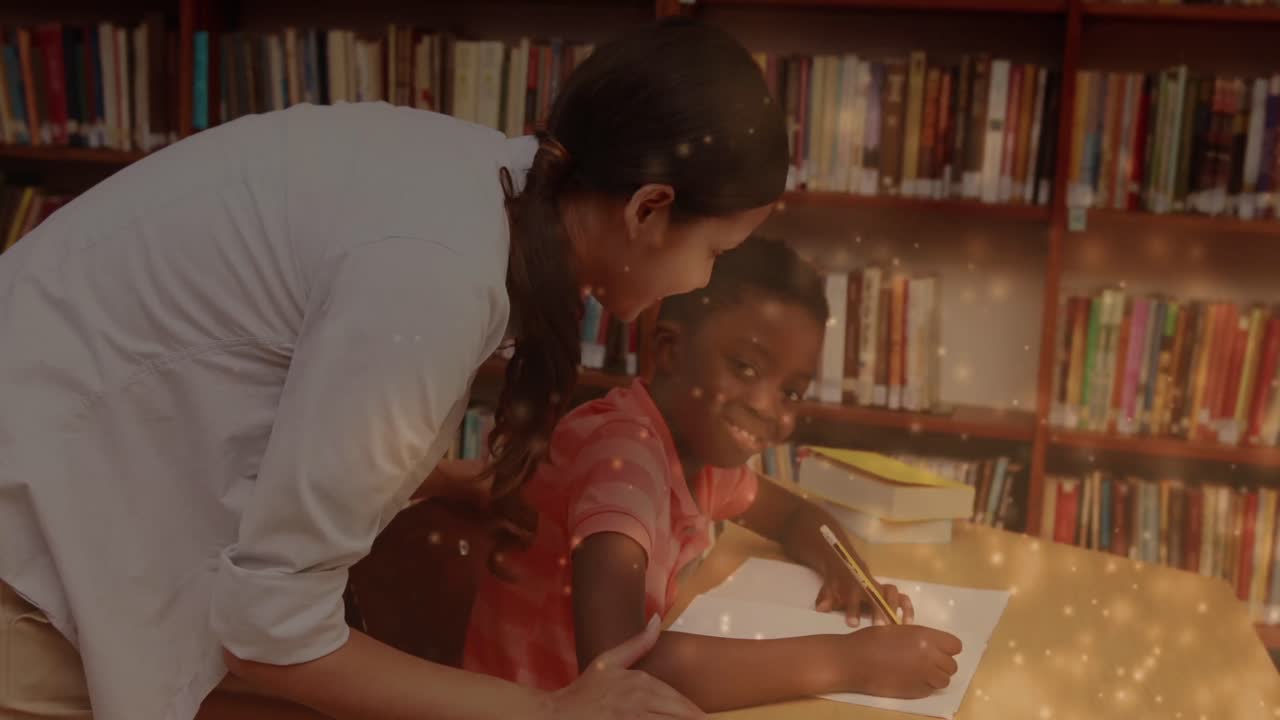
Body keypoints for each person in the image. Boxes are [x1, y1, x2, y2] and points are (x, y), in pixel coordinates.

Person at [0, 18, 788, 720]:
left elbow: (273, 378)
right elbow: (269, 635)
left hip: (83, 479)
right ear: (647, 209)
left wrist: (430, 481)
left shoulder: (487, 185)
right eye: (714, 253)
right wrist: (548, 710)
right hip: (30, 546)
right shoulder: (437, 277)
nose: (704, 284)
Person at [463, 237, 964, 712]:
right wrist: (849, 660)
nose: (772, 411)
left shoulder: (695, 451)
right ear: (670, 352)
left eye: (791, 391)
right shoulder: (624, 458)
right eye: (745, 368)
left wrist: (851, 574)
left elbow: (793, 515)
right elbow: (619, 664)